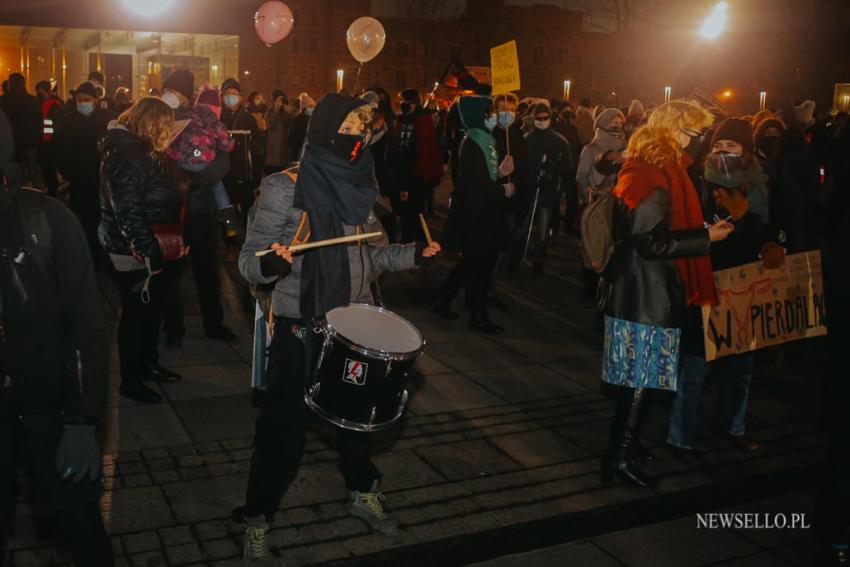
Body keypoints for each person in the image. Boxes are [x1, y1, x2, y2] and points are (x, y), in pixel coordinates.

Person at [235, 93, 441, 565]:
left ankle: (362, 491)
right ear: (326, 129)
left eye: (360, 127)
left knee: (357, 424)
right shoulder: (284, 188)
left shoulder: (360, 182)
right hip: (300, 325)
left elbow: (373, 254)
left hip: (355, 323)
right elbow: (249, 262)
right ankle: (257, 520)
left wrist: (414, 254)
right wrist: (270, 262)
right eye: (347, 127)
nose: (356, 136)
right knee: (281, 433)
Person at [599, 100, 734, 488]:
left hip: (643, 287)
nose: (697, 143)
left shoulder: (655, 169)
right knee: (641, 376)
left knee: (637, 375)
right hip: (645, 291)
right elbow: (647, 241)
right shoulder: (654, 178)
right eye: (694, 134)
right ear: (673, 131)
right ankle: (618, 458)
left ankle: (626, 445)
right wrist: (704, 237)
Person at [0, 110, 113, 566]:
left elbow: (87, 324)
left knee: (80, 526)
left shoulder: (49, 222)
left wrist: (83, 420)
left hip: (50, 405)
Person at [667, 117, 782, 464]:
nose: (722, 151)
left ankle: (733, 427)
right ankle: (681, 437)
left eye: (730, 146)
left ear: (745, 150)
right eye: (717, 146)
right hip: (705, 283)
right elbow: (683, 229)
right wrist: (711, 227)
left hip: (745, 285)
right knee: (695, 367)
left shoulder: (760, 184)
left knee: (740, 367)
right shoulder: (698, 183)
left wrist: (774, 245)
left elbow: (777, 225)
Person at [99, 97, 186, 403]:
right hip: (133, 249)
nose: (170, 131)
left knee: (151, 311)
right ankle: (130, 379)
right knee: (136, 314)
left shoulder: (140, 151)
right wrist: (149, 253)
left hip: (153, 242)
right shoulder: (129, 155)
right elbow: (129, 210)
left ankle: (148, 365)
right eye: (166, 125)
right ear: (153, 124)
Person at [161, 70, 237, 344]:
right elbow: (224, 152)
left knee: (195, 269)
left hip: (189, 206)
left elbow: (222, 157)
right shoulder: (167, 117)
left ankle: (186, 327)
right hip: (182, 206)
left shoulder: (182, 118)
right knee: (183, 269)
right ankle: (183, 326)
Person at [431, 95, 514, 334]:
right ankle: (477, 316)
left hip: (481, 212)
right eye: (489, 112)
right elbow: (476, 182)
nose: (493, 116)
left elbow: (483, 176)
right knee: (482, 265)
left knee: (471, 263)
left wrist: (500, 171)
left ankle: (443, 301)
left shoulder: (482, 140)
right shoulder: (473, 142)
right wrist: (502, 188)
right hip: (477, 215)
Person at [53, 82, 116, 251]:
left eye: (86, 99)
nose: (82, 103)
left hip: (102, 179)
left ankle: (102, 249)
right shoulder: (68, 121)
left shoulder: (108, 118)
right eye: (79, 99)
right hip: (78, 179)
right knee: (81, 215)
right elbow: (59, 147)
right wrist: (65, 171)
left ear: (95, 100)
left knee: (102, 216)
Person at [522, 103, 572, 274]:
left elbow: (567, 167)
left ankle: (538, 260)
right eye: (538, 118)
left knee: (543, 229)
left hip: (548, 190)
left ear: (550, 119)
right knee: (523, 227)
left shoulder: (559, 141)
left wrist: (553, 169)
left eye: (545, 118)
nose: (542, 121)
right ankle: (517, 255)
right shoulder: (527, 139)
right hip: (528, 189)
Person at [389, 88, 443, 242]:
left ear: (412, 103)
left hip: (417, 174)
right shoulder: (402, 119)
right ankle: (408, 240)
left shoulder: (423, 120)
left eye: (403, 101)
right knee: (406, 211)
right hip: (404, 172)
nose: (401, 104)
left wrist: (415, 172)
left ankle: (421, 242)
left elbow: (425, 149)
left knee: (416, 211)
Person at [492, 93, 532, 275]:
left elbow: (524, 168)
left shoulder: (518, 136)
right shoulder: (490, 136)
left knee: (514, 234)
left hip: (516, 196)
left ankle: (508, 266)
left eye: (512, 110)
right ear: (495, 111)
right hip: (495, 197)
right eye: (503, 109)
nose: (508, 113)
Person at [221, 78, 264, 222]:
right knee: (227, 210)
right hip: (224, 175)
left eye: (234, 94)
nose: (230, 97)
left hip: (244, 174)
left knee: (247, 209)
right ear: (222, 97)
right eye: (227, 94)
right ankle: (229, 240)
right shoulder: (218, 119)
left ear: (241, 98)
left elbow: (258, 149)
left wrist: (256, 177)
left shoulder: (248, 119)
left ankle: (247, 238)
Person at [1, 73, 44, 190]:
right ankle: (40, 195)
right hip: (30, 143)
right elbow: (40, 121)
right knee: (33, 171)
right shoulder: (33, 101)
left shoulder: (3, 101)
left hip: (11, 145)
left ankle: (15, 197)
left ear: (9, 84)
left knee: (12, 174)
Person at [576, 107, 627, 203]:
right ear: (604, 123)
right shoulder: (591, 148)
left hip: (618, 202)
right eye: (615, 122)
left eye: (621, 123)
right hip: (597, 202)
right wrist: (590, 197)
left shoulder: (624, 148)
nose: (619, 126)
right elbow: (581, 177)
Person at [35, 80, 64, 197]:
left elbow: (52, 124)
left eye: (39, 92)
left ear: (45, 91)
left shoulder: (52, 104)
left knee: (49, 168)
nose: (38, 95)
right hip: (48, 140)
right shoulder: (53, 102)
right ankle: (52, 189)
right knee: (49, 168)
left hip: (49, 142)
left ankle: (52, 191)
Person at [264, 89, 292, 174]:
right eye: (279, 100)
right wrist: (276, 108)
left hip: (284, 155)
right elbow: (271, 125)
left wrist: (288, 110)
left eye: (282, 100)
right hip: (272, 156)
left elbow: (291, 124)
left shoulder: (286, 113)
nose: (281, 102)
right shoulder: (270, 112)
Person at [288, 92, 315, 163]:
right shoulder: (297, 120)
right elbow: (291, 139)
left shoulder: (315, 120)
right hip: (299, 152)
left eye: (312, 106)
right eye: (310, 106)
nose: (311, 109)